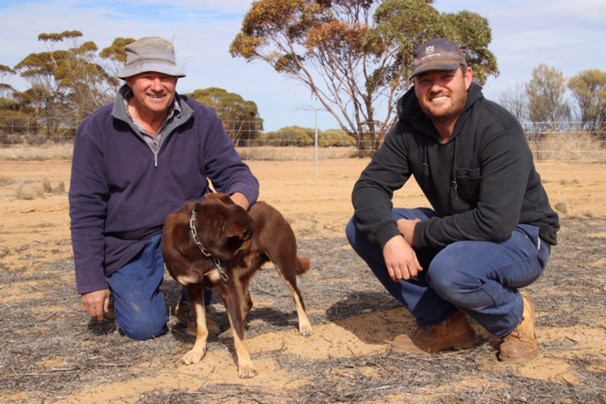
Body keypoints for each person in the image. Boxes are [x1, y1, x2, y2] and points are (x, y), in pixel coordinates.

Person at [346, 38, 559, 362]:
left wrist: (418, 235)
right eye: (425, 80)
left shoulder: (498, 129)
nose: (435, 87)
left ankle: (515, 318)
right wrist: (389, 236)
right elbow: (369, 187)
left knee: (450, 270)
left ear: (467, 77)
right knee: (363, 228)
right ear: (415, 85)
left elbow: (496, 222)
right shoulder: (409, 130)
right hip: (460, 232)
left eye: (445, 76)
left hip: (522, 235)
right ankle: (445, 323)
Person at [69, 36, 259, 341]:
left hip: (191, 236)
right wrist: (91, 282)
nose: (158, 86)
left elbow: (238, 175)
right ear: (129, 80)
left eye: (166, 77)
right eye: (147, 76)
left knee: (235, 227)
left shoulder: (203, 120)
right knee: (145, 328)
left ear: (175, 80)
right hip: (130, 241)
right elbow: (86, 210)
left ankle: (192, 305)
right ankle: (127, 292)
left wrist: (234, 207)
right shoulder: (97, 129)